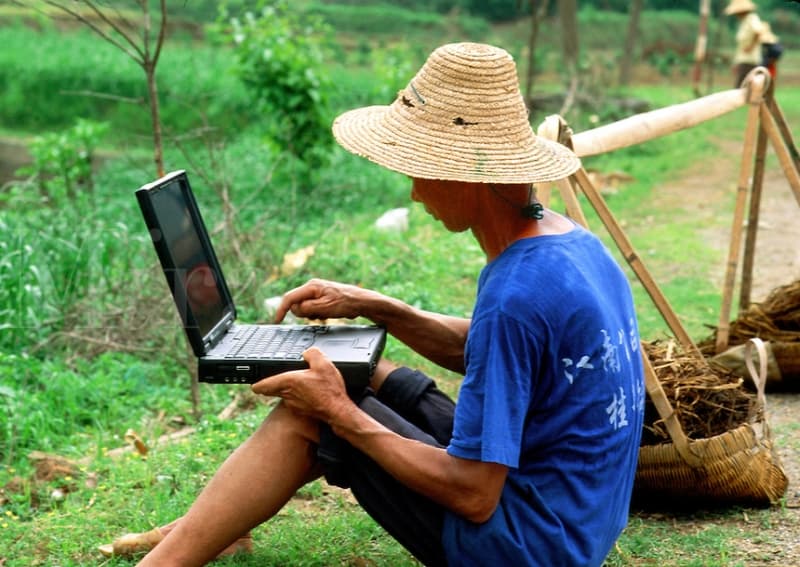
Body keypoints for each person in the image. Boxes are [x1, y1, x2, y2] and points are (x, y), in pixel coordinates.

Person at [102, 42, 645, 566]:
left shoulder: (514, 294)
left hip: (527, 545)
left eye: (418, 170)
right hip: (576, 519)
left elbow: (475, 494)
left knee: (313, 414)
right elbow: (496, 350)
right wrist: (377, 306)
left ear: (465, 173)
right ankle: (212, 529)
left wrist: (340, 414)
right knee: (362, 373)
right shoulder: (572, 245)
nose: (414, 192)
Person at [725, 0, 765, 87]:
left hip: (749, 60)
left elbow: (758, 32)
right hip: (742, 60)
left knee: (741, 87)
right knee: (742, 87)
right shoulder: (743, 22)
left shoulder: (752, 18)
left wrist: (751, 47)